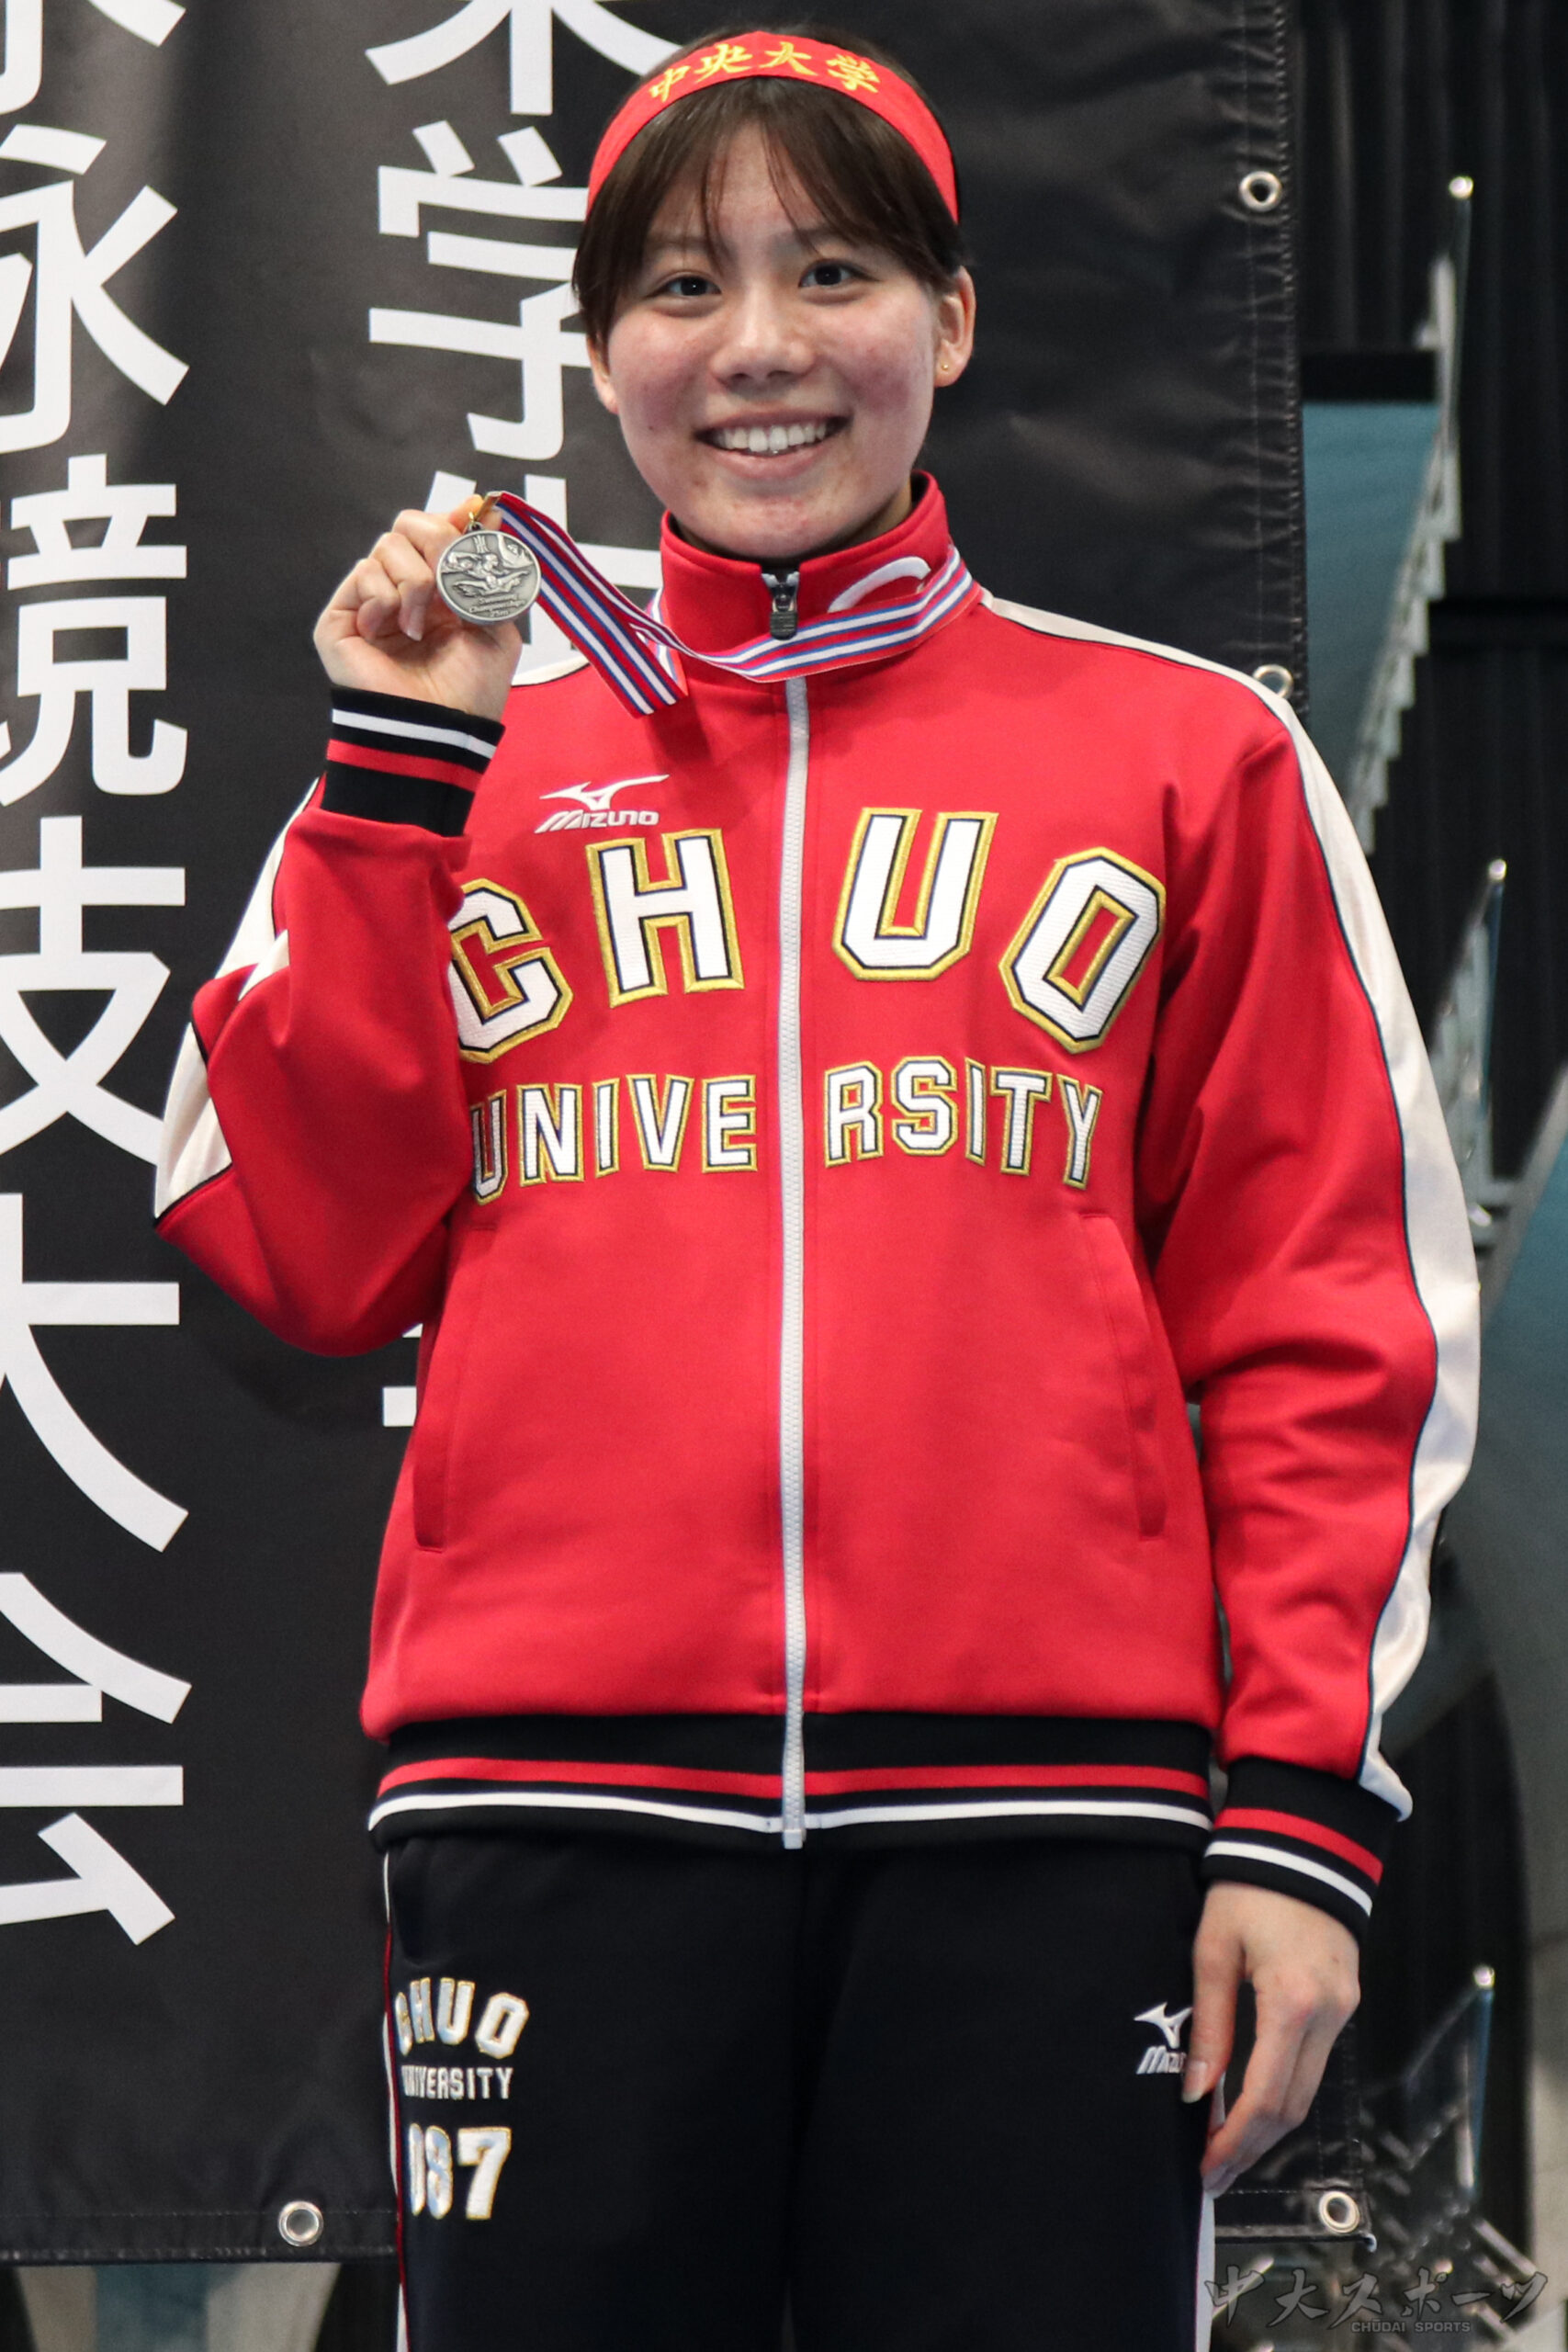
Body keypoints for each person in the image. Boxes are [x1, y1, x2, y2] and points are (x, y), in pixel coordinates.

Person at [154, 22, 1479, 2349]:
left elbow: (1327, 1321)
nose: (758, 345)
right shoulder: (457, 764)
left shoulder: (1185, 757)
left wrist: (1290, 1821)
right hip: (553, 1818)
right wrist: (389, 783)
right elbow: (294, 1240)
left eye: (833, 271)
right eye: (680, 287)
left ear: (947, 321)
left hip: (1046, 1835)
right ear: (601, 352)